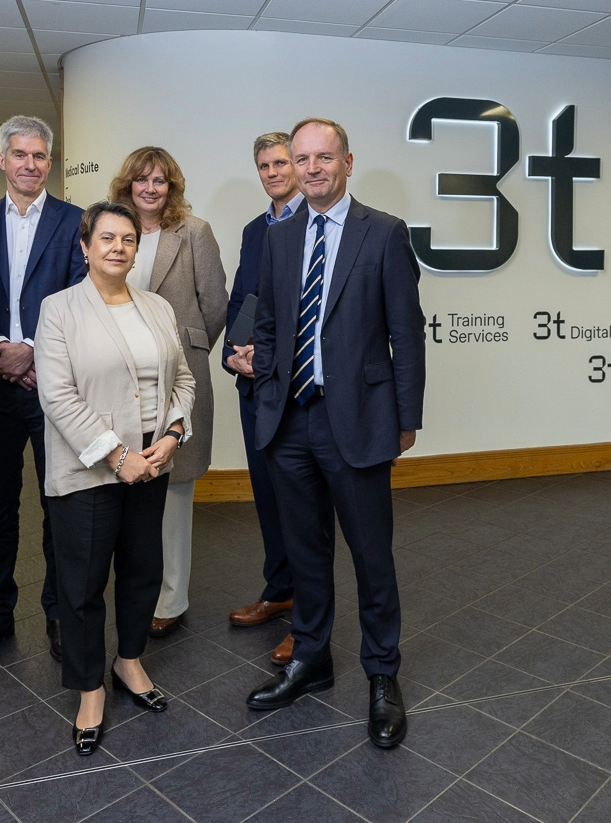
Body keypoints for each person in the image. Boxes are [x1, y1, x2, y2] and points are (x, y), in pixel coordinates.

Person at [247, 118, 426, 749]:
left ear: (348, 162)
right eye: (302, 159)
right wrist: (270, 390)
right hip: (290, 419)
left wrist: (406, 418)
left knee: (372, 557)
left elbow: (407, 333)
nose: (313, 168)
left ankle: (382, 674)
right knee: (306, 553)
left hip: (358, 421)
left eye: (326, 157)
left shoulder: (384, 233)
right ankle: (313, 659)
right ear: (292, 166)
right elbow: (268, 323)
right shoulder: (281, 236)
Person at [35, 200, 195, 755]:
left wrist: (172, 436)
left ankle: (129, 663)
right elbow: (57, 396)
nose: (118, 247)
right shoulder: (59, 310)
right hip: (89, 473)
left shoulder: (156, 307)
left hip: (151, 466)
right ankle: (88, 690)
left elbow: (183, 380)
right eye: (106, 238)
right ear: (85, 246)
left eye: (127, 239)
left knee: (142, 570)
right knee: (81, 588)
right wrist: (117, 455)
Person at [0, 116, 84, 671]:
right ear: (2, 161)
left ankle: (58, 614)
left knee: (60, 505)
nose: (30, 164)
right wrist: (3, 352)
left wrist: (33, 348)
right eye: (20, 154)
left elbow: (83, 298)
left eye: (40, 156)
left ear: (49, 163)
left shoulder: (76, 222)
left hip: (51, 387)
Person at [108, 148, 227, 637]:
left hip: (177, 373)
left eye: (160, 180)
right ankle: (134, 588)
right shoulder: (113, 228)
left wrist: (186, 348)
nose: (150, 188)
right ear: (128, 185)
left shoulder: (194, 232)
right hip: (118, 379)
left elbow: (215, 304)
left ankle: (171, 600)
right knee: (127, 485)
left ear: (172, 187)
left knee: (174, 491)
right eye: (141, 180)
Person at [223, 132, 303, 666]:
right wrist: (236, 350)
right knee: (268, 497)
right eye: (264, 165)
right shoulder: (257, 229)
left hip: (296, 389)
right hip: (254, 385)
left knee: (303, 506)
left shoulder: (318, 225)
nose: (272, 172)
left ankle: (309, 618)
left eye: (281, 162)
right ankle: (280, 591)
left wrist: (270, 358)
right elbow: (244, 297)